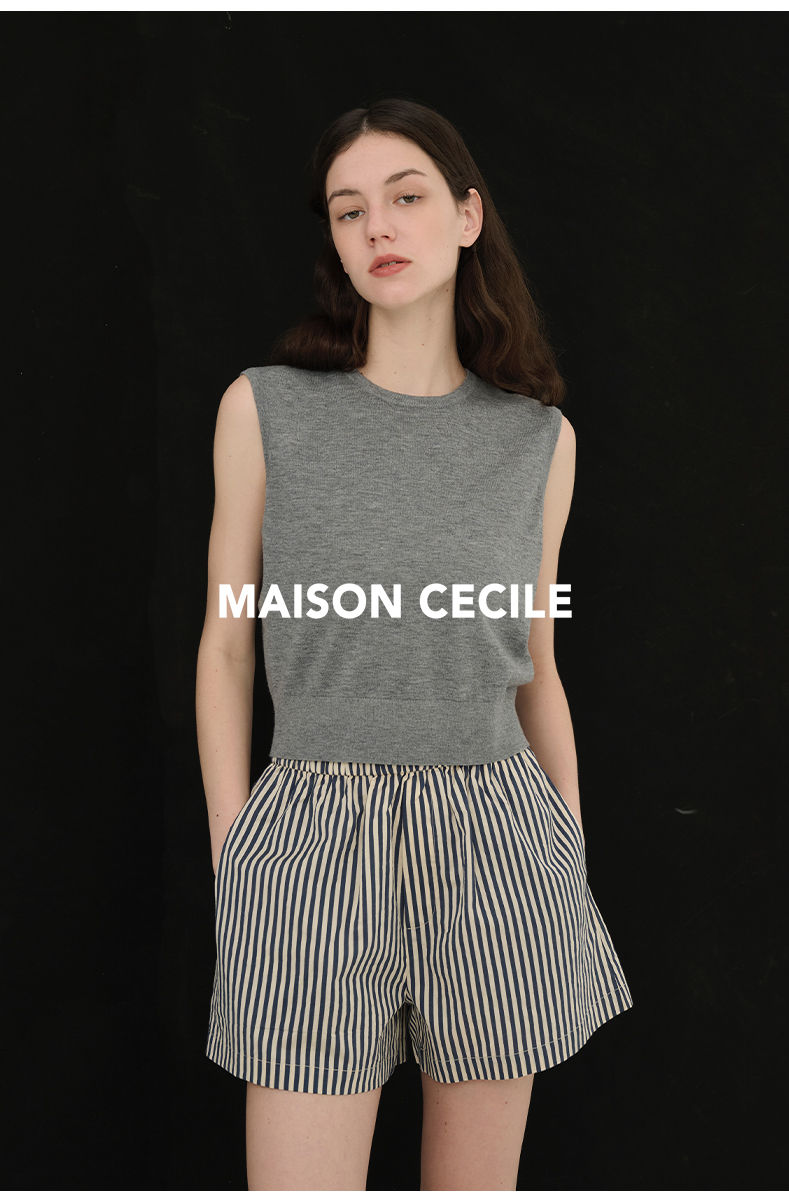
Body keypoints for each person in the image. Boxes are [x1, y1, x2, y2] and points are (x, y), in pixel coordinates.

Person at [196, 96, 633, 1190]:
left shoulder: (539, 440)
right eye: (349, 210)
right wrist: (234, 847)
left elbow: (537, 668)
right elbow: (228, 647)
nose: (377, 227)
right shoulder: (264, 410)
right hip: (310, 832)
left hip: (499, 840)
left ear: (468, 216)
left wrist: (566, 851)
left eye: (406, 197)